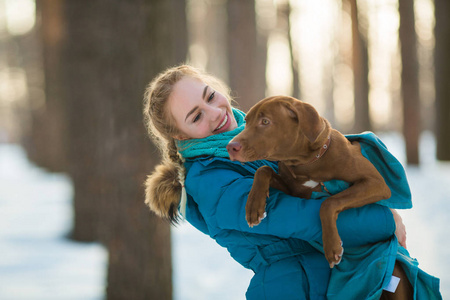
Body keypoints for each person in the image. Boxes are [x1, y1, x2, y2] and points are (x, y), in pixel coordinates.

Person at [143, 64, 441, 299]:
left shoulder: (262, 144)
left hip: (337, 281)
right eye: (196, 116)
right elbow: (305, 218)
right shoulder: (210, 183)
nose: (215, 113)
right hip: (296, 289)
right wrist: (385, 220)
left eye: (210, 96)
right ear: (180, 136)